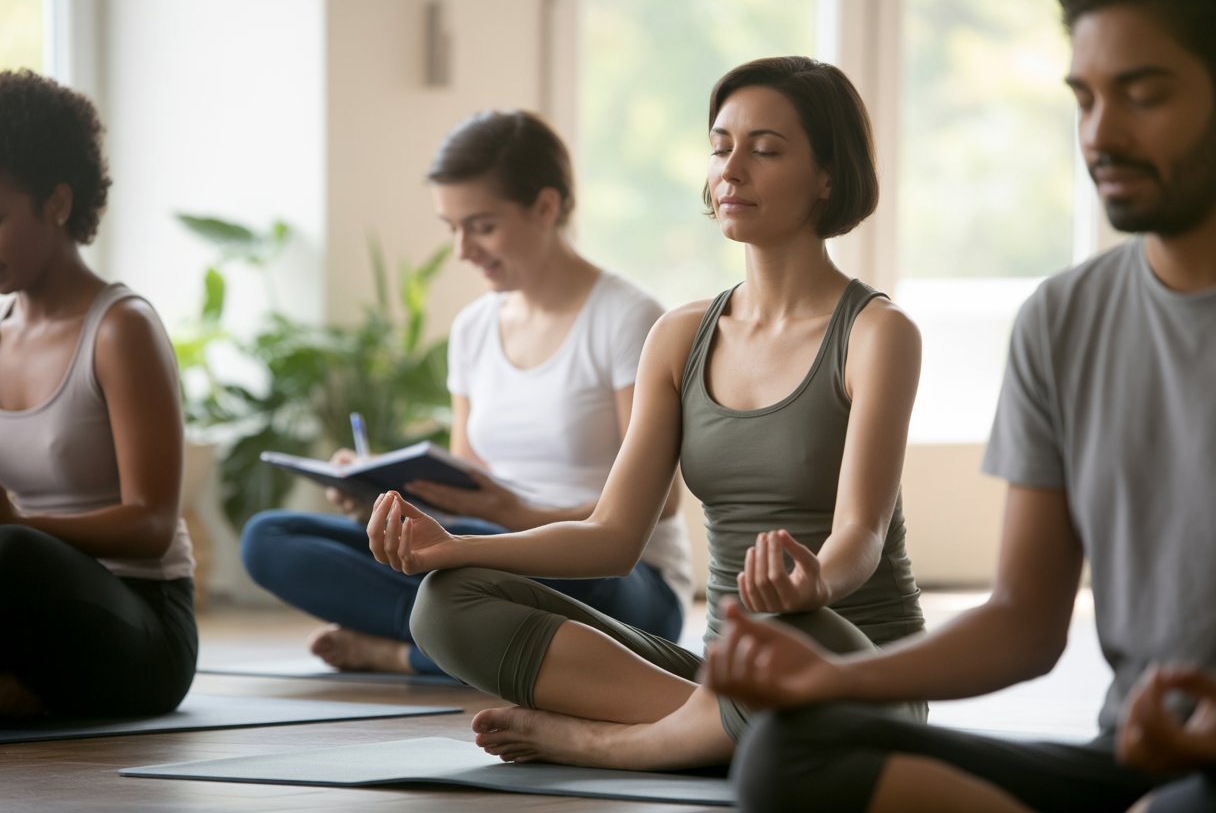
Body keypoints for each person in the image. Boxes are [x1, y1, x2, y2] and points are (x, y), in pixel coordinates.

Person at [704, 0, 1216, 811]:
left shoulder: (874, 331)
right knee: (791, 753)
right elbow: (1024, 621)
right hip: (1135, 753)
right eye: (1084, 98)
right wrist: (832, 677)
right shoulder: (1063, 318)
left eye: (1146, 95)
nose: (1102, 134)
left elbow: (860, 535)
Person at [368, 56, 927, 770]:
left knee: (804, 631)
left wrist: (813, 581)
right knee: (446, 604)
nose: (731, 171)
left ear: (827, 174)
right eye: (721, 146)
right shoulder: (680, 336)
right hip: (730, 672)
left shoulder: (878, 334)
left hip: (850, 663)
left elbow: (862, 536)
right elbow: (612, 536)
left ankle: (615, 742)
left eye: (765, 149)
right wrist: (458, 548)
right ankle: (721, 729)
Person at [241, 110, 693, 676]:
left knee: (478, 550)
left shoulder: (630, 319)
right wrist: (380, 496)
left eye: (481, 226)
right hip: (485, 555)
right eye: (450, 227)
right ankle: (462, 641)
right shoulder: (474, 329)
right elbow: (463, 483)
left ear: (546, 208)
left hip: (616, 578)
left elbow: (664, 505)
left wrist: (518, 515)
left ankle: (413, 651)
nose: (461, 249)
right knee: (269, 536)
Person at [0, 70, 197, 719]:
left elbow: (151, 524)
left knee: (13, 551)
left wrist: (26, 526)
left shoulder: (121, 329)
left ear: (57, 203)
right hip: (24, 610)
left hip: (141, 622)